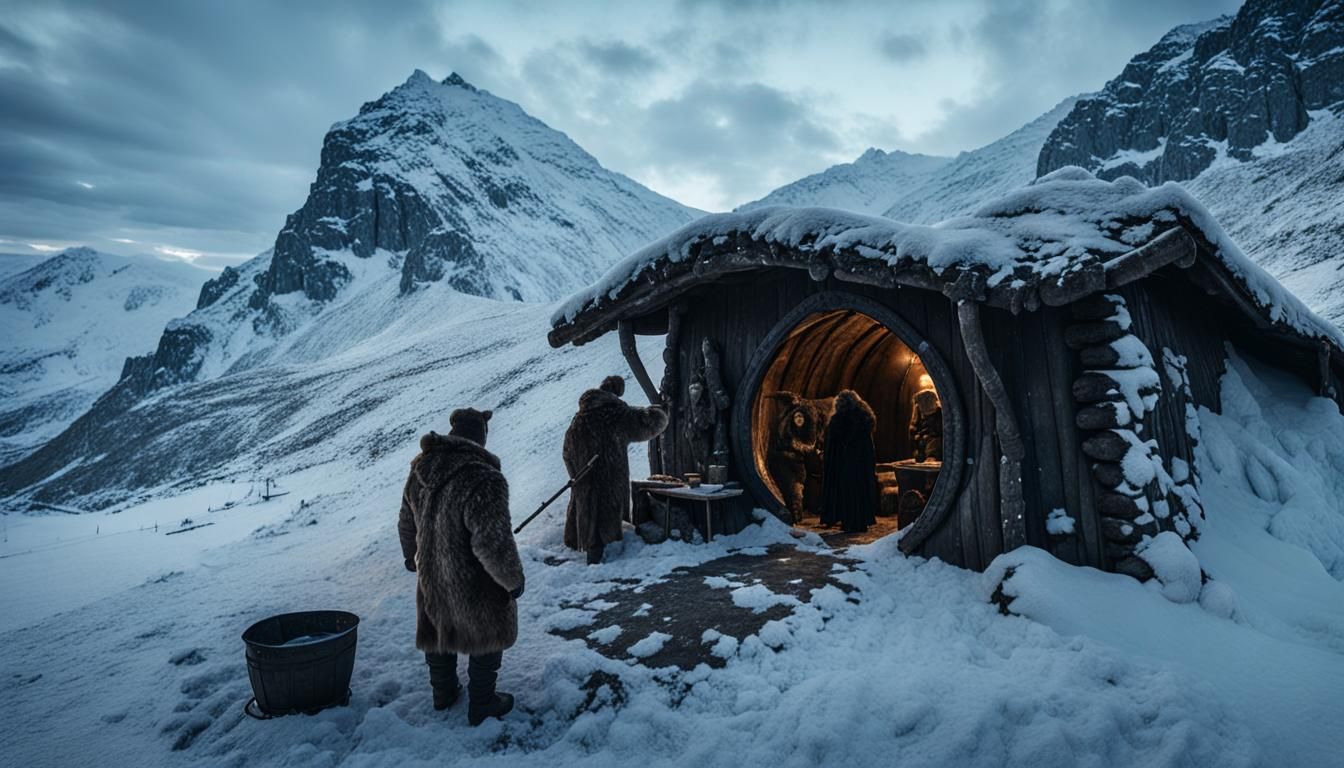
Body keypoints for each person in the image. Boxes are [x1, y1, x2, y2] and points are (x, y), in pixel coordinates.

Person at [398, 407, 524, 726]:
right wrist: (511, 580)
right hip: (475, 577)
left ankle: (443, 694)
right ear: (481, 437)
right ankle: (482, 703)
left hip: (433, 572)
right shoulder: (484, 477)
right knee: (485, 634)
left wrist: (410, 555)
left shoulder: (420, 470)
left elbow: (405, 521)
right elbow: (491, 540)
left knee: (440, 630)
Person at [563, 376, 669, 564]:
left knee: (587, 510)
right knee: (604, 516)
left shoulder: (580, 417)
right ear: (617, 392)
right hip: (609, 477)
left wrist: (575, 475)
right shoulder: (617, 413)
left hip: (583, 478)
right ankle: (597, 561)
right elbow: (647, 424)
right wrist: (661, 413)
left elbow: (567, 452)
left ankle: (584, 549)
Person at [820, 390, 879, 533]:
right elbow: (868, 447)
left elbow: (832, 448)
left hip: (844, 464)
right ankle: (861, 522)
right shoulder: (865, 419)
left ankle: (847, 522)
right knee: (861, 491)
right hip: (861, 464)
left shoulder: (838, 421)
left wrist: (829, 463)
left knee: (846, 492)